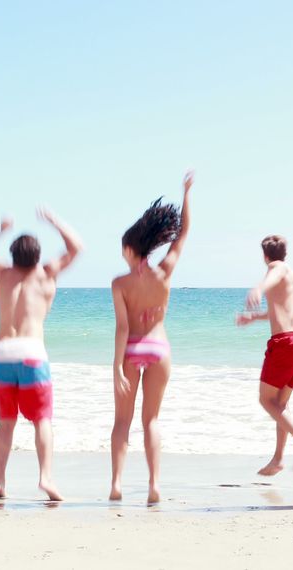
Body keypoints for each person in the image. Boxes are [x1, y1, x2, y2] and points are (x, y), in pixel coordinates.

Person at [0, 208, 82, 502]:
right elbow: (76, 247)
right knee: (42, 420)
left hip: (3, 353)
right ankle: (46, 478)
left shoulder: (3, 274)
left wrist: (1, 229)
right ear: (37, 255)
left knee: (6, 421)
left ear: (12, 256)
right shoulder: (46, 274)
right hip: (33, 353)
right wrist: (55, 221)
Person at [109, 170, 192, 505]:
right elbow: (183, 234)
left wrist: (117, 366)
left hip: (130, 350)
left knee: (122, 422)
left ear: (130, 248)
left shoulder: (120, 284)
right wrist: (186, 194)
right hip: (159, 347)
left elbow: (123, 328)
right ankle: (154, 485)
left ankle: (116, 484)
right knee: (151, 420)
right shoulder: (165, 272)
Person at [236, 235, 293, 476]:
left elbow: (273, 275)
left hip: (285, 343)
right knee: (280, 404)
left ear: (265, 255)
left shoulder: (275, 267)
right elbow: (282, 310)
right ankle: (278, 459)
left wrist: (258, 289)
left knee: (266, 400)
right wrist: (254, 317)